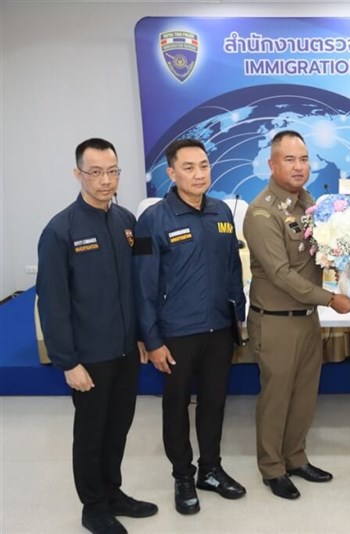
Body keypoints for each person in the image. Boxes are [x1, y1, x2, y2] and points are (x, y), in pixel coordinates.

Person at [36, 138, 157, 534]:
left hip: (125, 350)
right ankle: (93, 507)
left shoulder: (126, 222)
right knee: (91, 433)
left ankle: (113, 493)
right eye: (96, 172)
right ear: (78, 175)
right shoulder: (60, 231)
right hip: (88, 357)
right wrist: (68, 362)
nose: (106, 180)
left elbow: (139, 285)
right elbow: (52, 304)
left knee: (119, 425)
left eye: (113, 171)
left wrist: (141, 335)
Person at [133, 139, 247, 515]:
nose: (199, 174)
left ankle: (210, 469)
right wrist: (152, 339)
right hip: (176, 333)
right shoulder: (153, 220)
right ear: (171, 173)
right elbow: (144, 285)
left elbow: (233, 271)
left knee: (214, 403)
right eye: (188, 167)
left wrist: (239, 318)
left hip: (218, 328)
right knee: (176, 406)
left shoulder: (221, 212)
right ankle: (183, 475)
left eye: (204, 165)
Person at [243, 130, 350, 500]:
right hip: (276, 321)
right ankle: (272, 468)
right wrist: (330, 298)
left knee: (305, 395)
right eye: (289, 159)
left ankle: (295, 457)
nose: (299, 166)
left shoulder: (308, 204)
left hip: (306, 318)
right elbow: (281, 274)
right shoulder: (262, 212)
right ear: (272, 164)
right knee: (276, 397)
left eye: (304, 159)